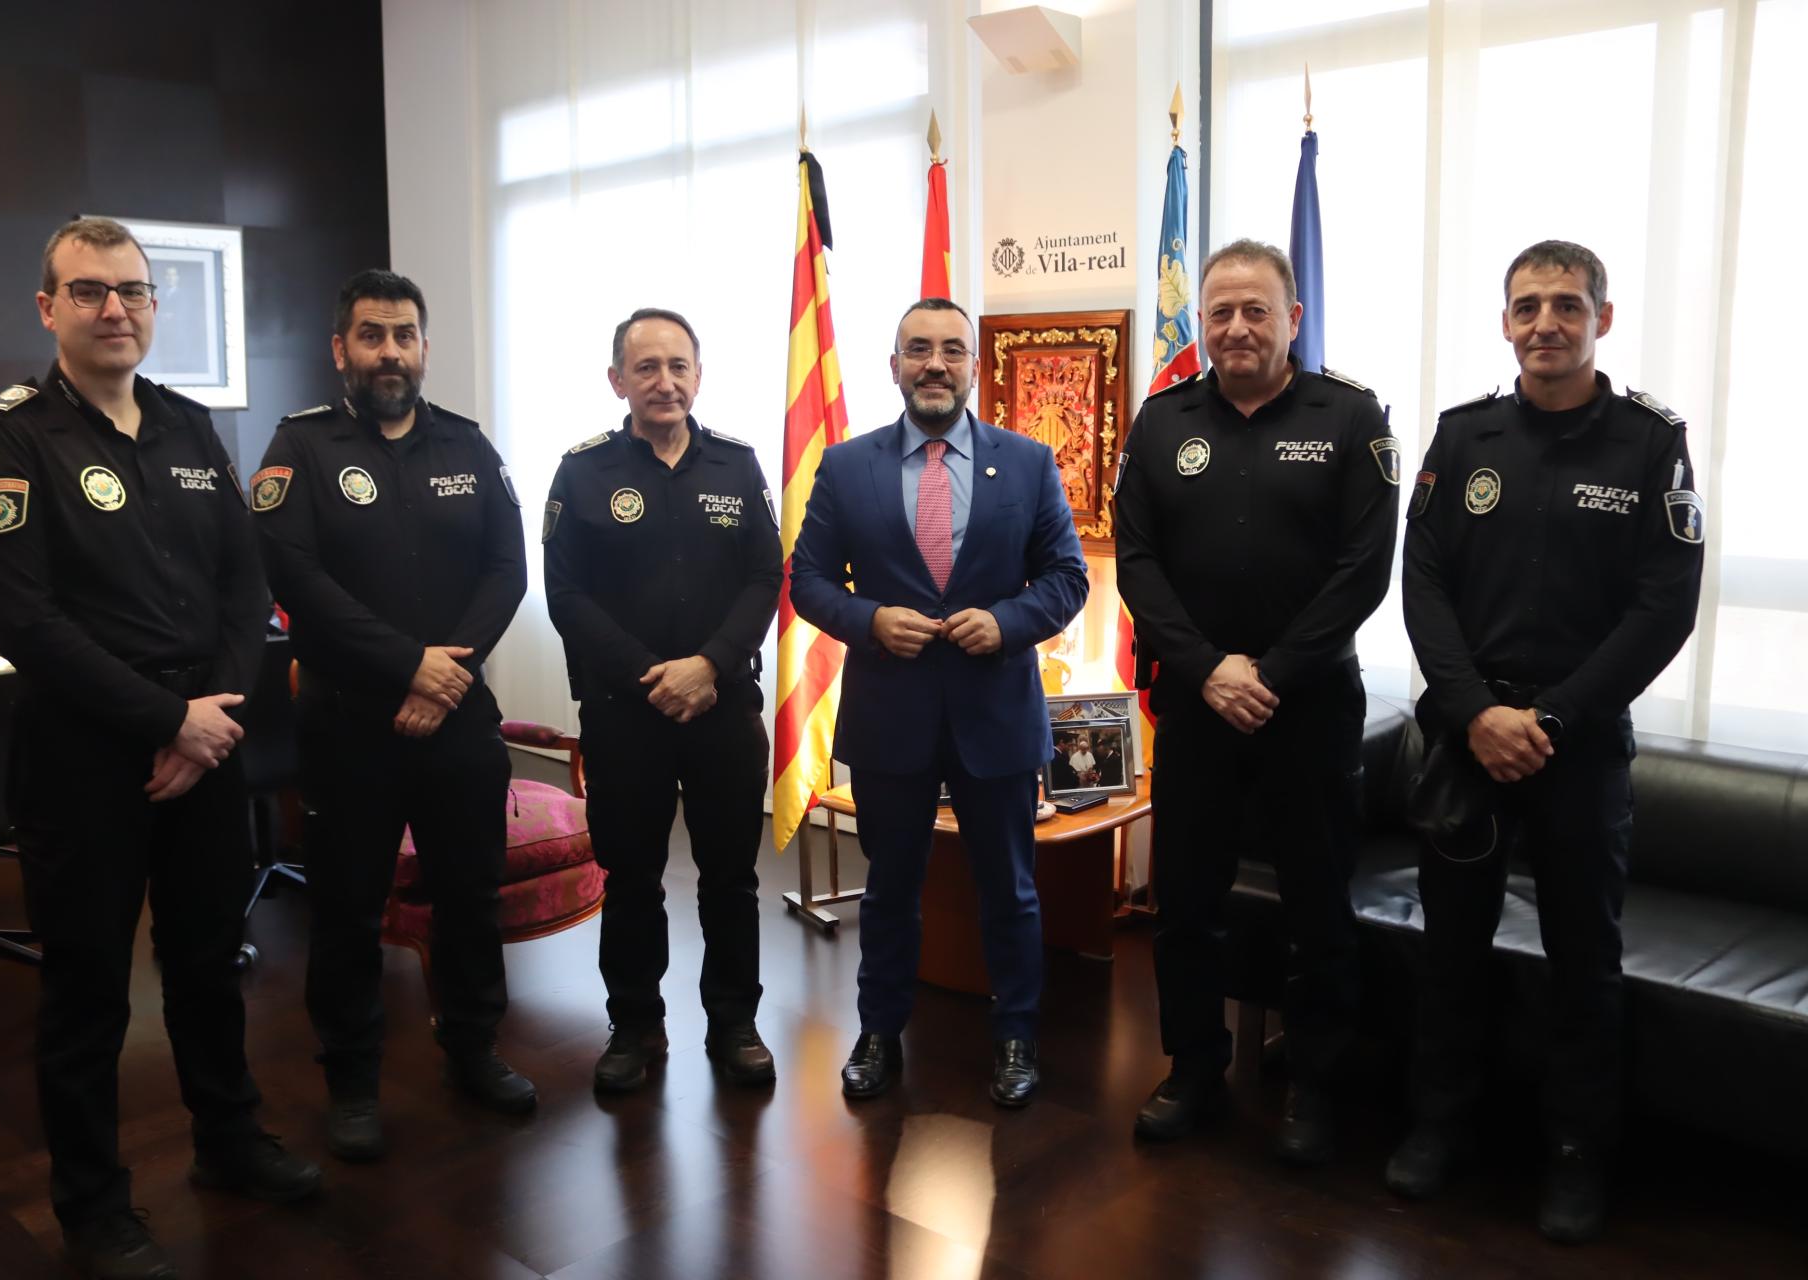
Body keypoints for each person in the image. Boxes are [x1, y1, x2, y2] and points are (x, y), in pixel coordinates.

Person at [0, 217, 320, 1280]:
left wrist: (212, 719)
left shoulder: (191, 427)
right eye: (89, 290)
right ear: (48, 308)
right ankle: (94, 1207)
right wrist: (168, 722)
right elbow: (27, 623)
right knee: (88, 990)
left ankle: (229, 1140)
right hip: (84, 756)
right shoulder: (13, 440)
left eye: (133, 290)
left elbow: (246, 586)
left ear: (155, 305)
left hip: (206, 742)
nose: (114, 308)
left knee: (208, 961)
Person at [1392, 240, 1702, 1243]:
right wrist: (1475, 712)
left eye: (1567, 305)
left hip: (1580, 748)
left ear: (1602, 319)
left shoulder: (1650, 442)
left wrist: (1554, 718)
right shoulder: (1464, 435)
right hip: (1468, 740)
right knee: (1450, 949)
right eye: (1527, 306)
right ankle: (1440, 1125)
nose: (1546, 324)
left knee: (1583, 959)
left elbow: (1664, 606)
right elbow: (1424, 584)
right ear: (1505, 322)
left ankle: (1575, 1153)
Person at [1115, 238, 1399, 1164]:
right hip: (1198, 706)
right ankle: (1193, 1069)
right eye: (1221, 312)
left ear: (1292, 318)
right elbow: (1138, 562)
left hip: (1308, 706)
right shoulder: (1162, 421)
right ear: (1202, 322)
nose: (1237, 327)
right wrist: (1208, 669)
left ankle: (1313, 1085)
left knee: (1318, 904)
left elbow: (1364, 570)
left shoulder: (1350, 417)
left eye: (1256, 310)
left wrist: (1270, 672)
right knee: (1186, 902)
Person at [251, 270, 534, 1165]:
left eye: (404, 335)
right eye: (371, 336)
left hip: (458, 720)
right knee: (346, 908)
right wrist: (409, 664)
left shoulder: (467, 444)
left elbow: (507, 570)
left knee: (470, 897)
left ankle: (474, 1049)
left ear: (423, 347)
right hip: (349, 727)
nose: (389, 352)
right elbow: (296, 579)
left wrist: (446, 674)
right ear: (341, 349)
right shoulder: (300, 447)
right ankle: (351, 1081)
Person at [790, 297, 1089, 1107]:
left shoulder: (1028, 462)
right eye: (918, 349)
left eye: (952, 350)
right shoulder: (846, 466)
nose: (935, 364)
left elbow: (1068, 577)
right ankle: (879, 1033)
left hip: (998, 717)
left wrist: (1006, 622)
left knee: (1010, 890)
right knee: (890, 889)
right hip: (891, 717)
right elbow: (807, 579)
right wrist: (869, 620)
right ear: (894, 366)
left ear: (973, 368)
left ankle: (1016, 1037)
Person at [543, 308, 783, 1092]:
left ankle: (734, 1021)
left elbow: (766, 577)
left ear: (699, 376)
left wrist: (708, 666)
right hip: (625, 713)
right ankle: (634, 1025)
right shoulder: (582, 472)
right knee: (632, 879)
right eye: (646, 367)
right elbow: (566, 596)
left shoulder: (737, 466)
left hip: (723, 708)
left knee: (732, 878)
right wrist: (654, 674)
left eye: (679, 366)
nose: (664, 382)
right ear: (618, 380)